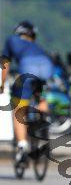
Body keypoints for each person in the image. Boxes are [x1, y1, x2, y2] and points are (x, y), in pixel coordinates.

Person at [0, 21, 54, 163]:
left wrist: (2, 84)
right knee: (41, 96)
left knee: (19, 108)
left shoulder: (12, 40)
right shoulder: (37, 46)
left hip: (27, 67)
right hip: (46, 67)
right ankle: (44, 119)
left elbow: (5, 65)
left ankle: (22, 146)